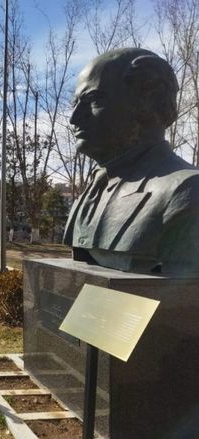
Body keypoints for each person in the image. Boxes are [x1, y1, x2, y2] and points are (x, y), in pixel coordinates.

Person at [63, 48, 199, 275]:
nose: (74, 118)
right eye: (75, 103)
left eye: (93, 99)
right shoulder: (92, 191)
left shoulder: (187, 190)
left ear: (149, 99)